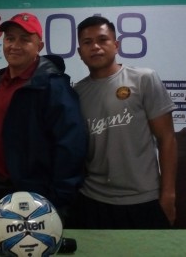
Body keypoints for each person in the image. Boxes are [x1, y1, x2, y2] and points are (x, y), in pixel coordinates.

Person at [0, 12, 87, 222]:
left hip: (38, 197)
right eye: (10, 38)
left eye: (25, 39)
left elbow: (71, 145)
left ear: (39, 45)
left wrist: (59, 198)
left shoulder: (54, 85)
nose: (15, 45)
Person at [71, 16, 177, 229]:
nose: (96, 47)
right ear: (80, 51)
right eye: (88, 42)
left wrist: (168, 194)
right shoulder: (76, 94)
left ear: (116, 45)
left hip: (144, 200)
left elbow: (166, 139)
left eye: (103, 39)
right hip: (93, 200)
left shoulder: (143, 79)